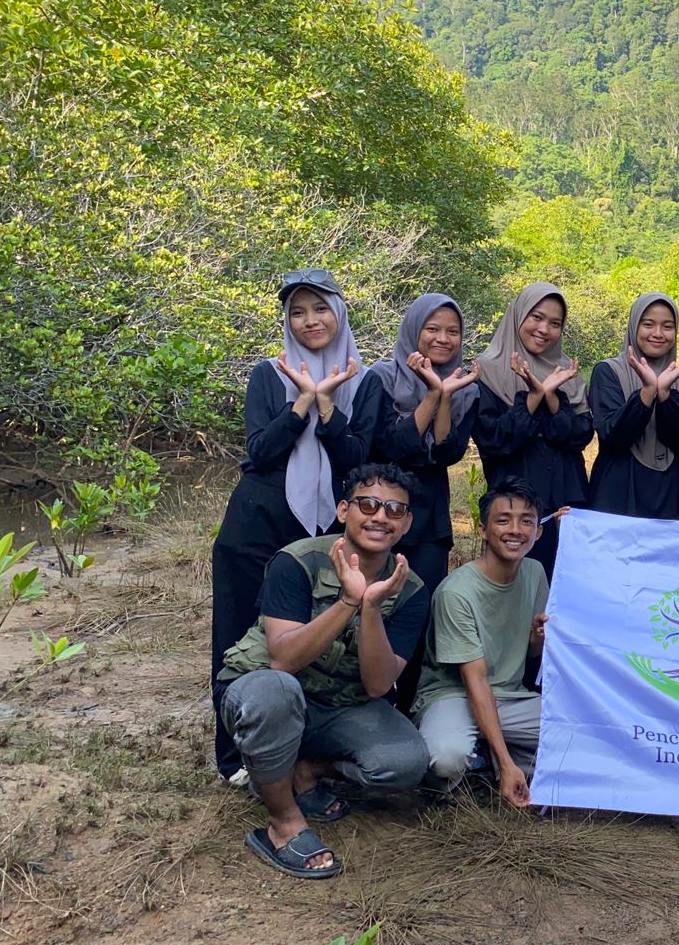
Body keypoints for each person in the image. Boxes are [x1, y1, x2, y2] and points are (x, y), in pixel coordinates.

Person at [209, 269, 384, 781]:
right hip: (257, 522)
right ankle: (232, 755)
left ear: (340, 312)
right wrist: (302, 399)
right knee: (236, 631)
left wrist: (329, 405)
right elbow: (260, 452)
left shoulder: (363, 379)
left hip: (326, 531)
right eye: (297, 312)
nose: (310, 321)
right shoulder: (268, 372)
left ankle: (291, 751)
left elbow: (358, 464)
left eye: (320, 308)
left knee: (308, 637)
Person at [217, 464, 431, 879]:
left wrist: (370, 607)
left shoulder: (412, 590)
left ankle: (304, 768)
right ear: (343, 510)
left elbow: (377, 684)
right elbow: (284, 658)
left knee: (406, 761)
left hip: (339, 704)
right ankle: (283, 822)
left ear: (406, 524)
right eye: (368, 504)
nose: (380, 516)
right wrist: (347, 601)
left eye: (394, 510)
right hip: (267, 690)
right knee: (277, 691)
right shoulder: (297, 561)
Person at [370, 294, 480, 710]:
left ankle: (411, 706)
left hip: (429, 514)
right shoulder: (380, 378)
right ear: (414, 329)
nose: (443, 338)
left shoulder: (466, 388)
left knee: (420, 608)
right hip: (380, 511)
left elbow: (447, 453)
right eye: (432, 328)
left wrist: (446, 394)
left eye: (453, 331)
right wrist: (432, 396)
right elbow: (395, 445)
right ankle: (367, 701)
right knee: (372, 605)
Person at [414, 479, 548, 807]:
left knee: (580, 734)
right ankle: (494, 763)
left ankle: (486, 761)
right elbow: (474, 680)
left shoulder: (535, 572)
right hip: (454, 695)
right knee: (447, 757)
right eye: (503, 520)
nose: (515, 530)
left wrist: (538, 639)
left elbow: (529, 653)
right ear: (483, 530)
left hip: (509, 697)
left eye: (526, 521)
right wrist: (506, 765)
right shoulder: (456, 592)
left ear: (538, 532)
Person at [472, 283, 593, 578]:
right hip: (515, 512)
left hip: (568, 505)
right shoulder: (485, 372)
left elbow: (580, 436)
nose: (544, 329)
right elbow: (494, 440)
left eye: (555, 323)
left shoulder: (567, 374)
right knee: (517, 591)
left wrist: (551, 395)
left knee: (566, 594)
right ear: (518, 317)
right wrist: (533, 396)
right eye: (536, 317)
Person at [588, 293, 679, 519]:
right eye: (648, 324)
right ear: (634, 326)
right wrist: (647, 392)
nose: (658, 334)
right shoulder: (608, 372)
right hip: (618, 488)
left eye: (667, 326)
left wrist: (664, 395)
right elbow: (614, 435)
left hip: (673, 488)